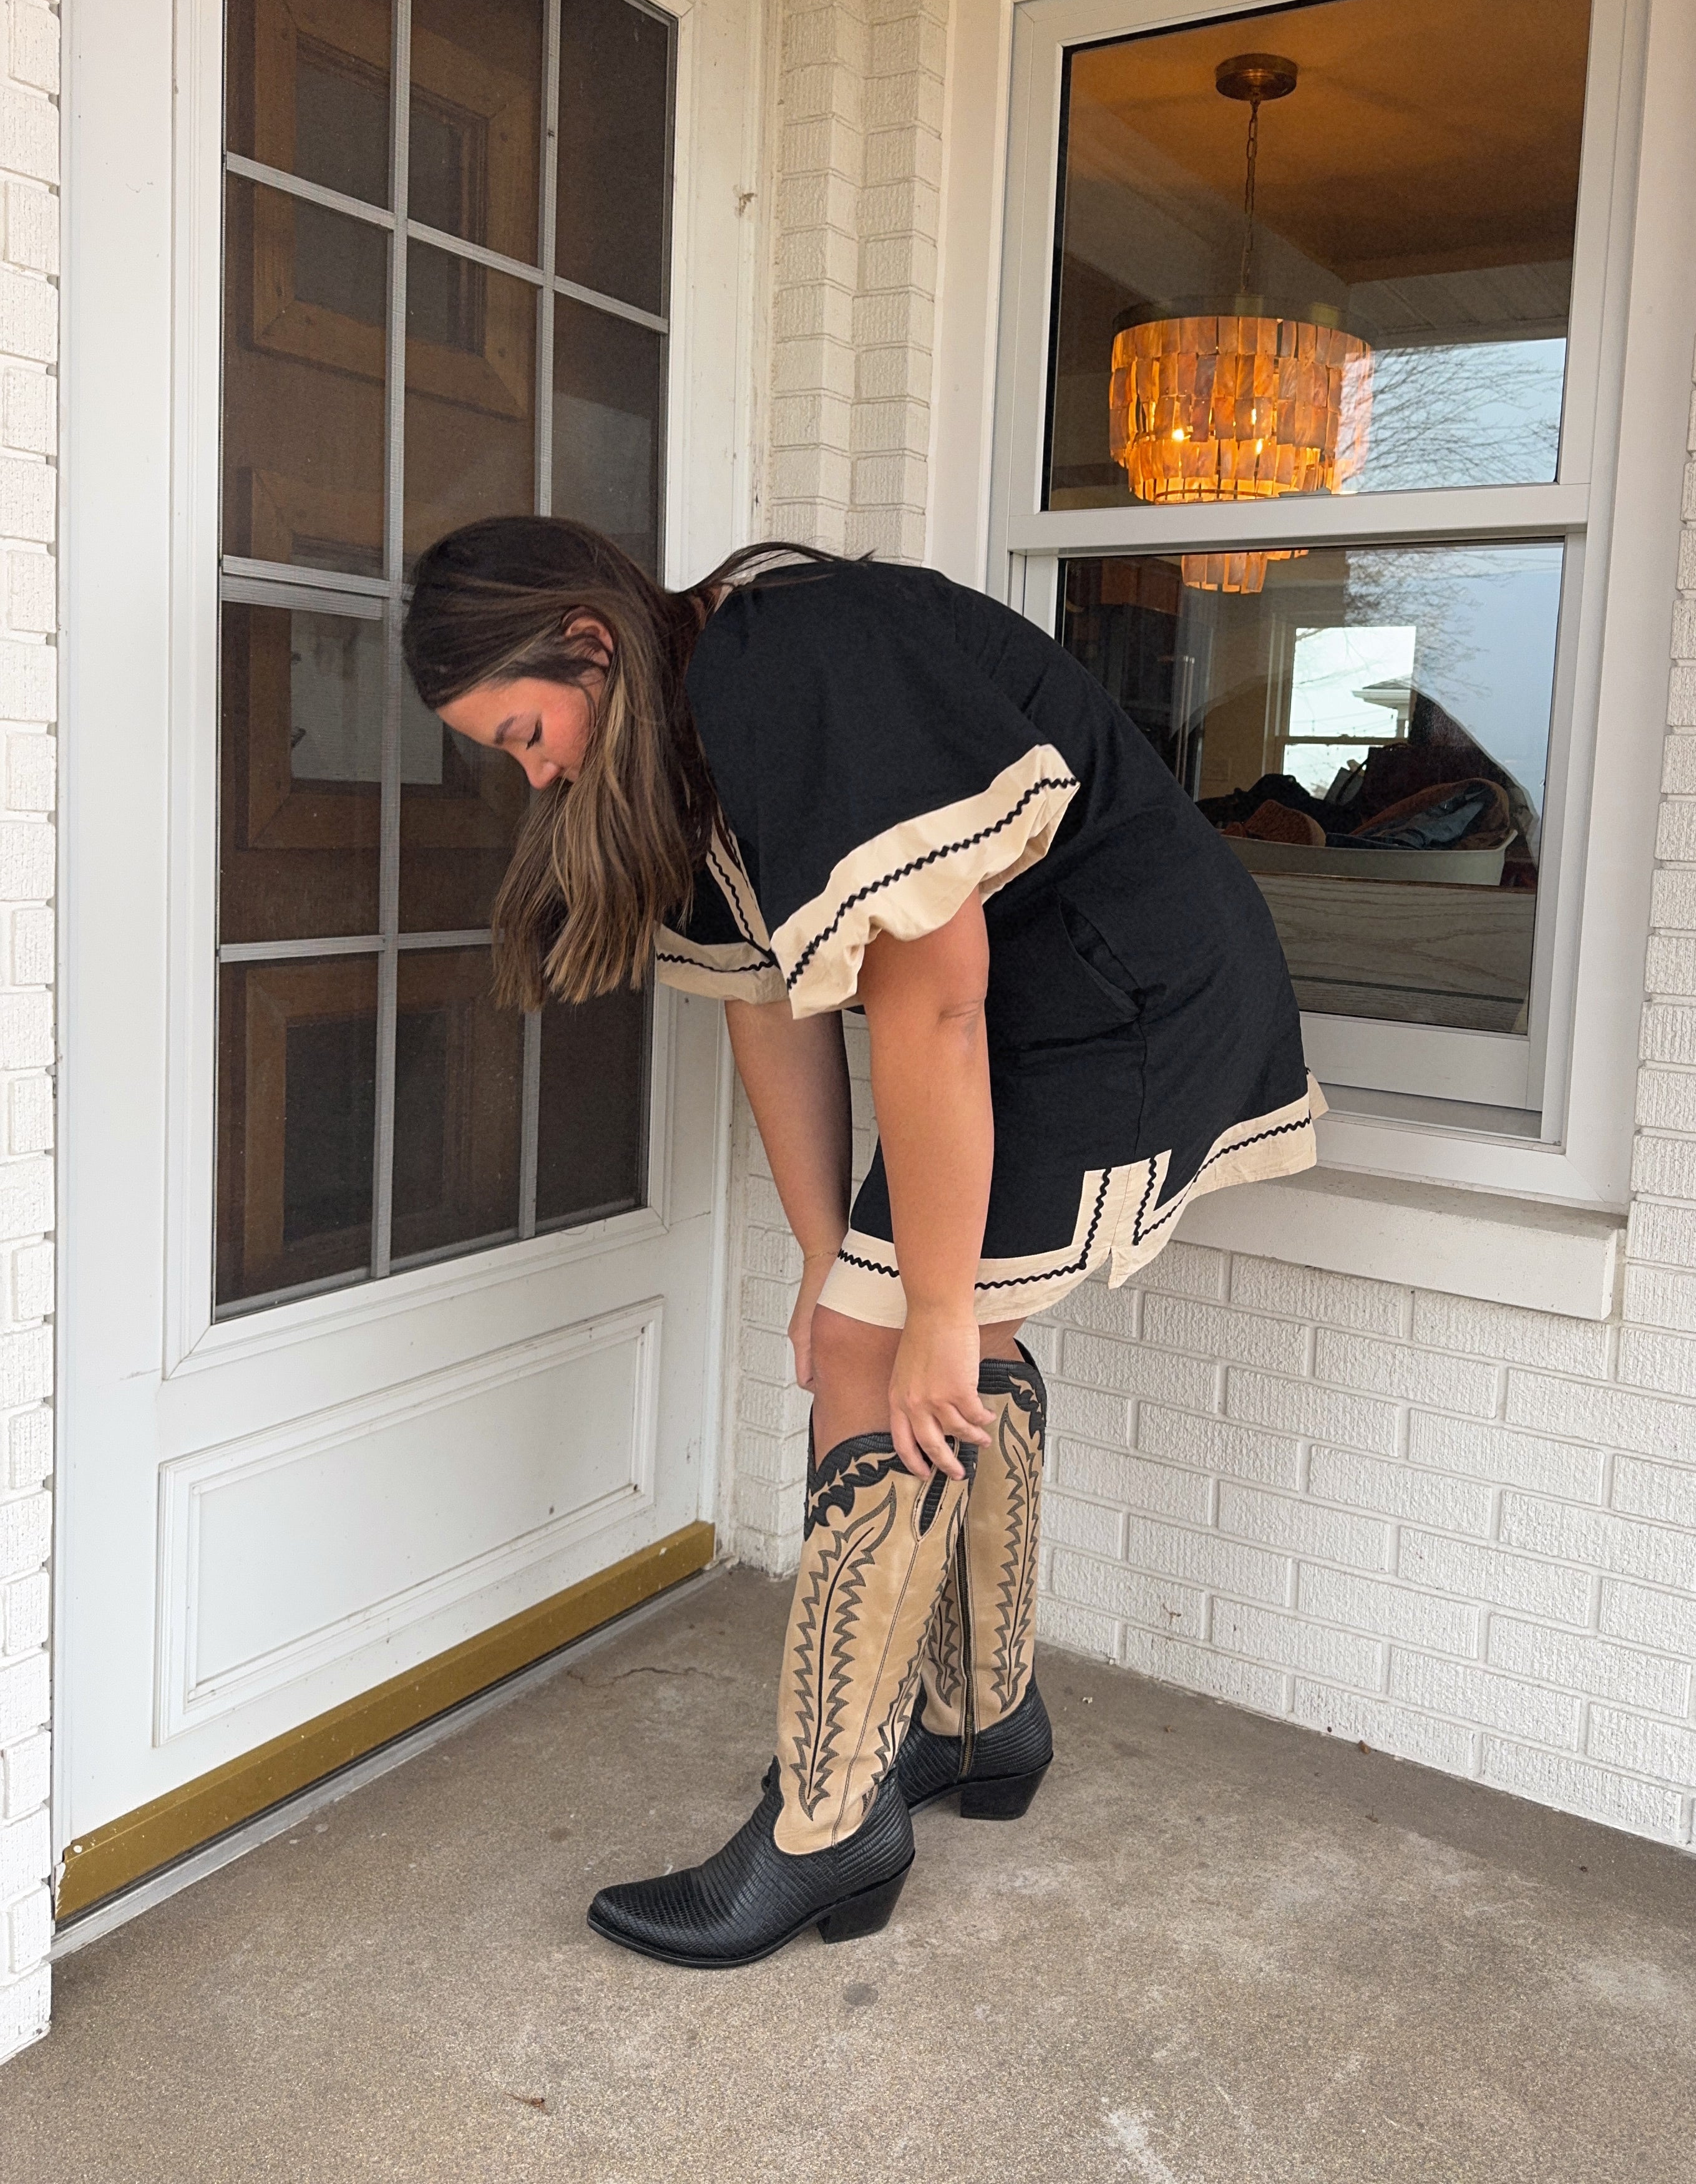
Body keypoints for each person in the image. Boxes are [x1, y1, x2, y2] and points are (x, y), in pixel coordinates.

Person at [404, 517, 1321, 1969]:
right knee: (889, 1323)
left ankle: (830, 1828)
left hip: (1122, 990)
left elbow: (940, 996)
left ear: (589, 641)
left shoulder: (792, 668)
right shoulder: (681, 739)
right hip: (1027, 1009)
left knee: (906, 1335)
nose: (536, 773)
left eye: (527, 732)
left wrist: (915, 1308)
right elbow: (771, 1010)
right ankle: (977, 1725)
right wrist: (845, 1266)